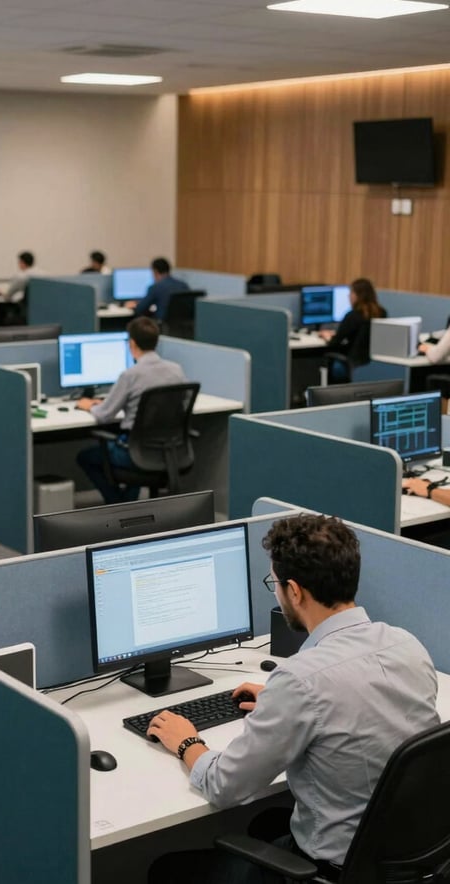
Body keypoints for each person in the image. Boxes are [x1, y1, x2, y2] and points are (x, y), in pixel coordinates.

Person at [147, 513, 439, 884]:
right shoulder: (407, 645)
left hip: (336, 870)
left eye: (276, 584)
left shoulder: (302, 680)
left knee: (165, 870)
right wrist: (282, 703)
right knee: (265, 822)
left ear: (295, 591)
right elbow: (355, 700)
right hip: (402, 858)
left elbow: (225, 786)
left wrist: (186, 741)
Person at [75, 316, 186, 504]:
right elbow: (183, 403)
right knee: (135, 442)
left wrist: (89, 405)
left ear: (132, 344)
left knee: (85, 458)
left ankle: (118, 503)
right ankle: (129, 505)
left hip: (135, 453)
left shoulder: (130, 375)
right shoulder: (176, 370)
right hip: (170, 450)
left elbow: (104, 415)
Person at [318, 278, 387, 372]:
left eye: (351, 292)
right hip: (375, 364)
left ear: (357, 296)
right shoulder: (382, 313)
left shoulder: (353, 315)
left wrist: (327, 337)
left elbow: (335, 342)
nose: (349, 296)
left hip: (355, 363)